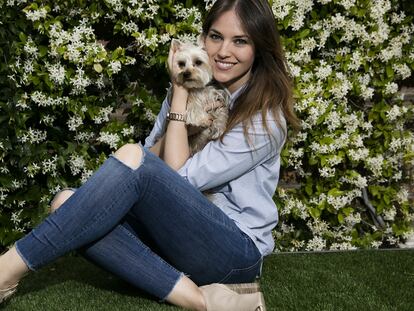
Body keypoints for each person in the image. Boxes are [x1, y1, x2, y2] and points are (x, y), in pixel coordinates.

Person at [0, 0, 299, 310]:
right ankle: (199, 299)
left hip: (233, 254)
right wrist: (180, 95)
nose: (223, 51)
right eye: (215, 36)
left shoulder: (265, 119)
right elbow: (145, 164)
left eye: (240, 41)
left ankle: (4, 275)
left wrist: (178, 106)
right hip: (177, 236)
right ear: (203, 38)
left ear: (259, 47)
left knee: (129, 159)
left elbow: (177, 178)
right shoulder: (183, 85)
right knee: (64, 202)